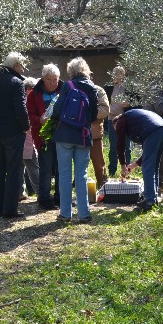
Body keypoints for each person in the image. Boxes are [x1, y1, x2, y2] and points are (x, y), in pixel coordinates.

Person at [0, 52, 31, 219]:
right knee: (13, 171)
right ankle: (10, 209)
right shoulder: (17, 83)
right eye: (22, 66)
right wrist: (26, 127)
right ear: (16, 65)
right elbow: (21, 110)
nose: (23, 70)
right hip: (13, 133)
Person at [53, 57, 98, 223]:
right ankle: (84, 213)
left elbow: (57, 110)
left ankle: (65, 214)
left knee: (64, 174)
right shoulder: (92, 88)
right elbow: (93, 115)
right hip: (83, 136)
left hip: (64, 135)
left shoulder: (68, 86)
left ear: (70, 71)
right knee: (82, 175)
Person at [115, 107, 163, 212]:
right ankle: (153, 198)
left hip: (154, 130)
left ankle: (149, 201)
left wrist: (123, 165)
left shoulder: (120, 120)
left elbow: (120, 144)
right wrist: (134, 165)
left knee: (148, 168)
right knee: (154, 165)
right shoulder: (138, 121)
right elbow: (148, 154)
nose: (118, 132)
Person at [27, 63, 61, 210]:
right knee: (46, 168)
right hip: (43, 137)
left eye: (55, 79)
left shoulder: (65, 90)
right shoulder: (34, 94)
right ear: (43, 79)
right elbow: (29, 116)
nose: (53, 83)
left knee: (62, 168)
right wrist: (39, 120)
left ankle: (61, 197)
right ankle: (45, 199)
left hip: (62, 136)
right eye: (49, 79)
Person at [106, 65, 131, 176]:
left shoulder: (128, 88)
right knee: (113, 146)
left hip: (125, 120)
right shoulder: (108, 87)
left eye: (120, 73)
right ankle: (112, 170)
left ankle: (128, 169)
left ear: (123, 75)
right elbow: (104, 102)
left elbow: (136, 103)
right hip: (112, 119)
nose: (118, 76)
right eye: (116, 73)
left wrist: (128, 104)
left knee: (127, 146)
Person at [89, 81, 110, 189]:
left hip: (94, 133)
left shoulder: (98, 90)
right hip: (75, 134)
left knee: (99, 165)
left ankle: (103, 188)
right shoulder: (72, 88)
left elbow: (105, 110)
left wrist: (88, 113)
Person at [22, 76, 41, 197]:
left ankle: (20, 192)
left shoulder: (21, 100)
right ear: (28, 89)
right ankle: (40, 192)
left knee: (20, 168)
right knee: (33, 167)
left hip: (22, 140)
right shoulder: (27, 101)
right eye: (33, 88)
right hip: (27, 140)